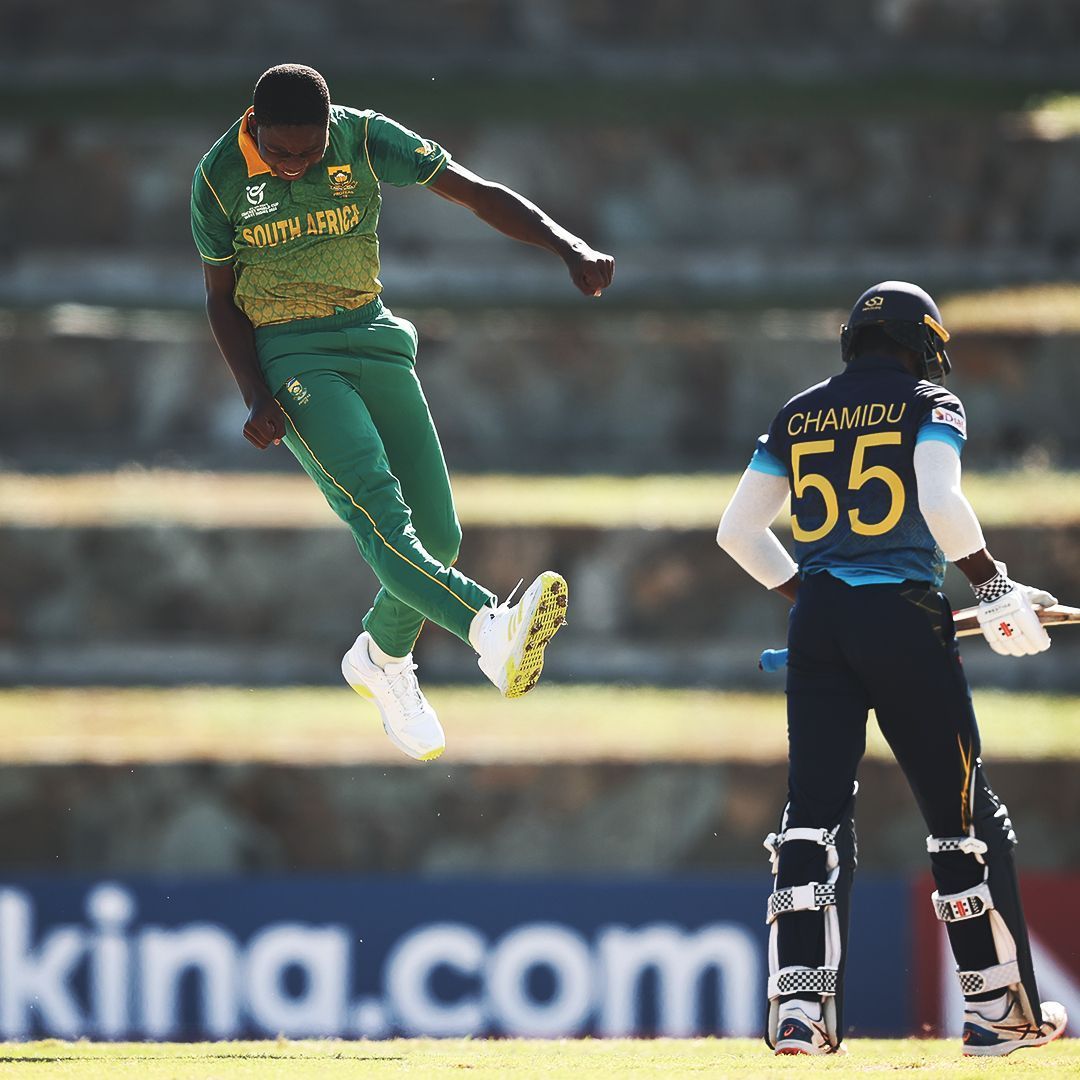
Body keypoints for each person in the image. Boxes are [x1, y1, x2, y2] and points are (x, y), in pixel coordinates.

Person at [191, 64, 613, 762]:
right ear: (253, 126)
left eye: (308, 151)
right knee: (381, 518)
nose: (296, 166)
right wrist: (255, 394)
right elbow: (218, 297)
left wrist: (566, 245)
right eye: (281, 152)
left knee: (438, 537)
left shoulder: (361, 138)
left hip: (375, 340)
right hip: (293, 358)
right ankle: (488, 627)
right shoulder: (218, 178)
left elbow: (475, 193)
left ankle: (381, 660)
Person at [716, 281, 1067, 1057]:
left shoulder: (797, 412)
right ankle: (997, 1014)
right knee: (962, 820)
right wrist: (993, 583)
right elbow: (940, 501)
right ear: (927, 346)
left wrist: (813, 596)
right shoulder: (931, 405)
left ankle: (799, 1012)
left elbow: (738, 531)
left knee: (811, 815)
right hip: (907, 619)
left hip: (819, 628)